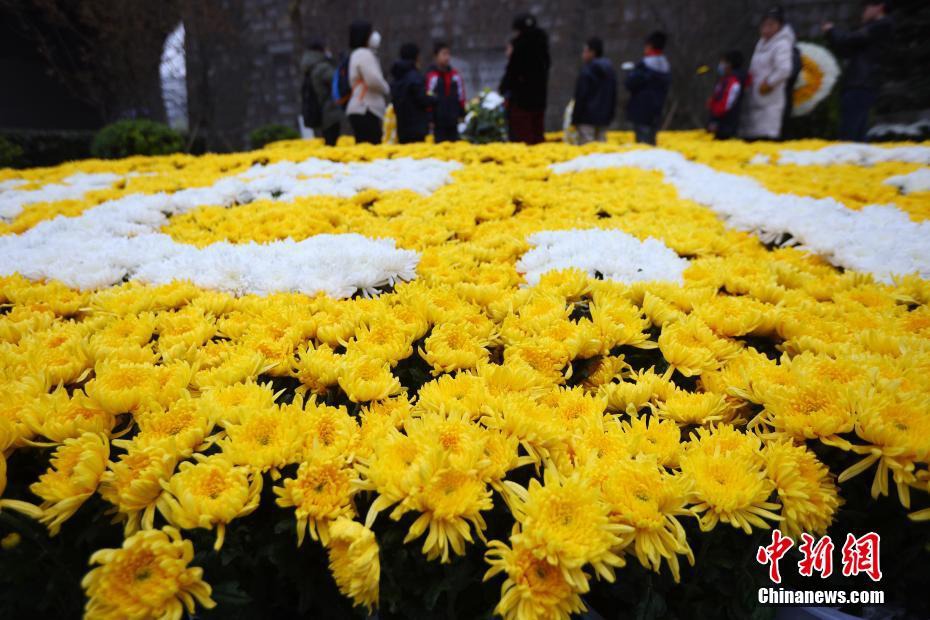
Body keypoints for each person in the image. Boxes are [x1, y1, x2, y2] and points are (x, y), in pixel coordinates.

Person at [823, 1, 894, 142]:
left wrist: (832, 30)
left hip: (861, 84)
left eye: (867, 7)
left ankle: (850, 161)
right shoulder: (873, 28)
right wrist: (831, 35)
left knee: (850, 133)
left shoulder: (882, 25)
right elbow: (845, 49)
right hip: (860, 83)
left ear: (879, 7)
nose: (864, 11)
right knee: (856, 134)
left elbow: (848, 40)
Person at [741, 6, 796, 140]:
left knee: (765, 137)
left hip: (770, 99)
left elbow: (784, 69)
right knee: (751, 137)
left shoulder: (782, 44)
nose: (766, 28)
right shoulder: (761, 43)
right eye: (764, 25)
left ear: (780, 26)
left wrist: (769, 83)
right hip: (755, 96)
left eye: (771, 25)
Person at [499, 13, 550, 144]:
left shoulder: (520, 48)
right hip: (539, 100)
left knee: (523, 138)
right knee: (537, 136)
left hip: (521, 102)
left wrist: (504, 89)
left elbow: (512, 74)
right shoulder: (542, 48)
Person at [347, 20, 390, 144]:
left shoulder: (356, 54)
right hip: (366, 108)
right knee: (371, 148)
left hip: (359, 108)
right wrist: (386, 87)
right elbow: (373, 80)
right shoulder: (364, 54)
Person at [624, 31, 671, 146]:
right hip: (657, 111)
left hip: (642, 111)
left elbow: (630, 83)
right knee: (651, 143)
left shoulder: (645, 65)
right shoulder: (666, 67)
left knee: (642, 145)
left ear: (649, 46)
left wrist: (630, 73)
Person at [571, 37, 618, 144]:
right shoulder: (610, 70)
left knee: (587, 150)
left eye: (585, 51)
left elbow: (581, 95)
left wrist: (575, 118)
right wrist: (610, 115)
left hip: (586, 118)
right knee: (601, 151)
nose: (583, 54)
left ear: (593, 52)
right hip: (604, 118)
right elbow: (613, 95)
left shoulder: (587, 70)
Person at [299, 40, 343, 146]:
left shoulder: (310, 66)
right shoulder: (323, 67)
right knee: (332, 142)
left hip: (320, 110)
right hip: (329, 110)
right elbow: (337, 81)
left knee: (328, 140)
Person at [390, 43, 433, 144]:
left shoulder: (397, 75)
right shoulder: (414, 76)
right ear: (416, 56)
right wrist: (434, 99)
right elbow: (422, 98)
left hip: (401, 125)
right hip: (416, 126)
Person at [425, 42, 466, 143]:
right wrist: (430, 118)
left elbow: (461, 96)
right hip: (438, 122)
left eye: (448, 54)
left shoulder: (455, 76)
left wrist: (461, 113)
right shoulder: (432, 76)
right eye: (443, 54)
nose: (447, 57)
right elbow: (427, 98)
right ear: (436, 56)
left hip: (453, 120)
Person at [707, 50, 746, 140]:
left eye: (723, 62)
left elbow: (725, 105)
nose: (720, 65)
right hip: (720, 125)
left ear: (729, 64)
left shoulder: (733, 82)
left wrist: (715, 119)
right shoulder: (725, 80)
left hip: (725, 127)